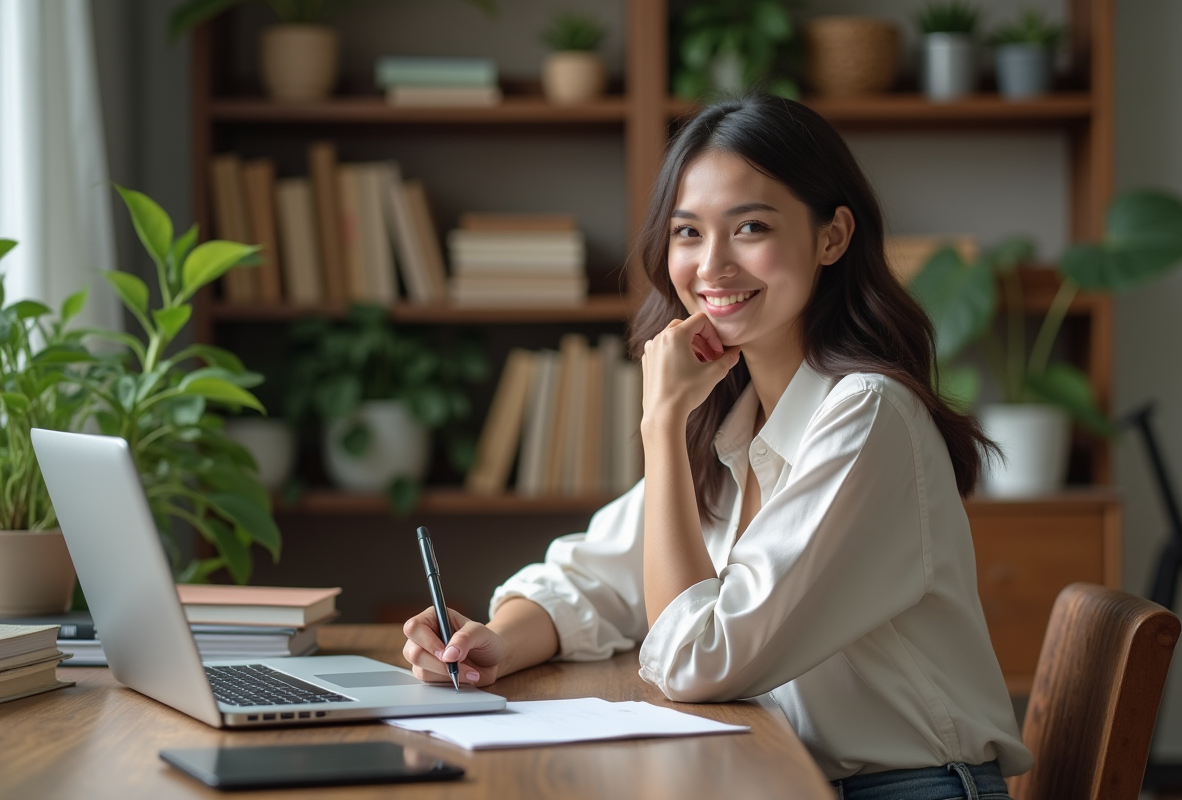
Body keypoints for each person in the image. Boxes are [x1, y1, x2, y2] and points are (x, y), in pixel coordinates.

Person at [403, 94, 1033, 798]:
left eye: (751, 227)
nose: (713, 266)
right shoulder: (737, 423)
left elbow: (700, 659)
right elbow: (590, 578)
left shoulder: (865, 417)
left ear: (833, 236)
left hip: (909, 788)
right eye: (688, 233)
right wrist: (493, 643)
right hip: (782, 776)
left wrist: (659, 426)